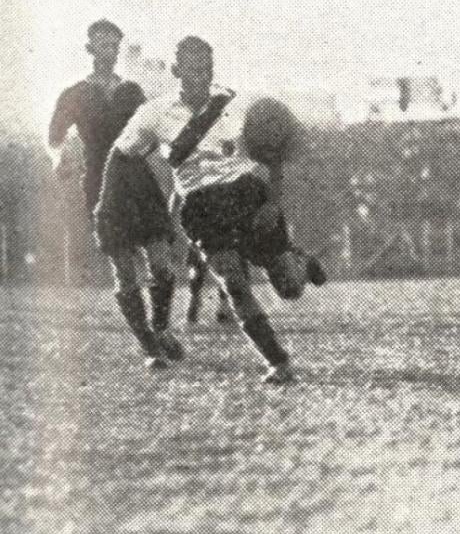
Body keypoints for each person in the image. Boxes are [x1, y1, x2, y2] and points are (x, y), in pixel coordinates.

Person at [105, 35, 323, 383]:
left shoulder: (236, 104)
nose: (201, 77)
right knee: (233, 283)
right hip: (200, 206)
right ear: (176, 71)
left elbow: (276, 150)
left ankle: (301, 261)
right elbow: (121, 155)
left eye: (206, 69)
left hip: (246, 194)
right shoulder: (153, 114)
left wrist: (273, 201)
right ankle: (278, 362)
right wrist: (111, 205)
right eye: (192, 70)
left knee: (290, 288)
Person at [47, 19, 182, 369]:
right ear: (90, 48)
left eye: (114, 45)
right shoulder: (74, 94)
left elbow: (154, 133)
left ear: (119, 50)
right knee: (124, 271)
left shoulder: (132, 92)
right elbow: (55, 136)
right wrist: (60, 155)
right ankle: (150, 346)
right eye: (102, 44)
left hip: (138, 180)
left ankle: (161, 327)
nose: (109, 51)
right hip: (100, 184)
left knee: (162, 264)